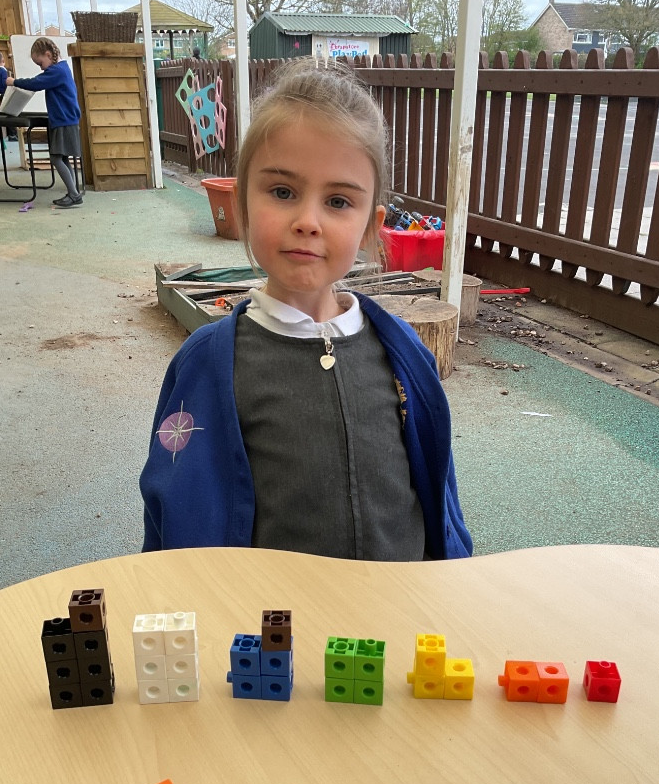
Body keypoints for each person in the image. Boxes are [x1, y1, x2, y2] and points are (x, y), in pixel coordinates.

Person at [140, 59, 472, 561]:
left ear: (370, 226)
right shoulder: (209, 362)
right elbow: (177, 507)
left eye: (338, 201)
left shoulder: (403, 352)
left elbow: (440, 495)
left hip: (397, 603)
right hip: (271, 610)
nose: (308, 221)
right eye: (283, 192)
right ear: (243, 205)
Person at [7, 38, 83, 208]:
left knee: (56, 158)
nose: (41, 68)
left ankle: (74, 194)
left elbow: (36, 83)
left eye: (40, 63)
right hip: (66, 120)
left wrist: (14, 82)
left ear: (48, 55)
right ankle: (73, 192)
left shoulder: (57, 72)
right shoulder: (62, 69)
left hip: (63, 120)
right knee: (63, 157)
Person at [0, 51, 17, 141]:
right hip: (5, 94)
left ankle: (11, 133)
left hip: (0, 94)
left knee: (6, 113)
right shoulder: (3, 71)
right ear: (3, 60)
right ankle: (12, 134)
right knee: (10, 113)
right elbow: (4, 82)